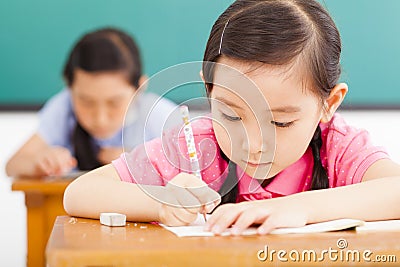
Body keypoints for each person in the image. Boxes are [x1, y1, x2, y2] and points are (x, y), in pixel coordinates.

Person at [63, 0, 400, 235]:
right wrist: (161, 203)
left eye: (280, 123)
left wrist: (301, 208)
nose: (254, 145)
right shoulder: (195, 145)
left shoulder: (338, 148)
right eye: (231, 115)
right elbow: (80, 193)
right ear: (209, 89)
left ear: (330, 103)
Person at [6, 27, 177, 177]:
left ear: (140, 88)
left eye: (114, 103)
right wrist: (40, 162)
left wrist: (141, 161)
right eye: (86, 102)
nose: (100, 118)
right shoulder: (63, 108)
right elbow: (13, 165)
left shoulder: (158, 114)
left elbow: (195, 170)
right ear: (69, 87)